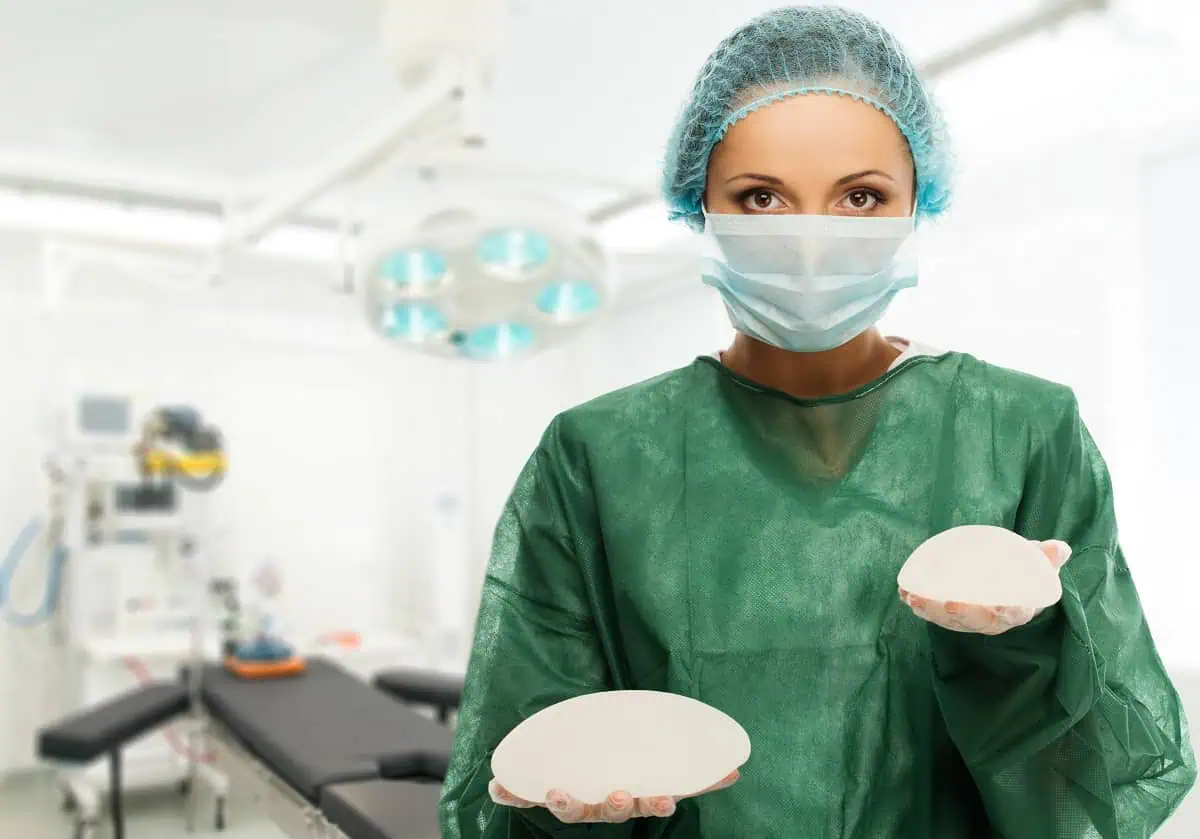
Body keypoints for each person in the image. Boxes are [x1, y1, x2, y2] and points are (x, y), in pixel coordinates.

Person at [439, 5, 1196, 837]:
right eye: (761, 197)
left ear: (919, 203)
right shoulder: (597, 455)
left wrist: (1022, 650)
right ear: (699, 205)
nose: (809, 241)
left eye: (861, 197)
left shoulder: (1021, 432)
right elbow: (519, 749)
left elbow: (1100, 779)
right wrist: (566, 809)